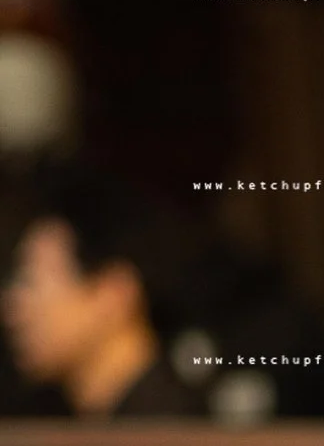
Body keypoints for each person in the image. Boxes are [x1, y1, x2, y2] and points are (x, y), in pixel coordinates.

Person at [1, 165, 197, 418]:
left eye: (30, 281)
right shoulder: (77, 421)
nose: (12, 306)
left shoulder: (170, 432)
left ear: (113, 293)